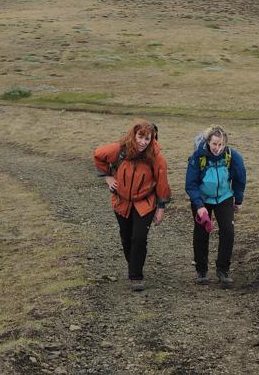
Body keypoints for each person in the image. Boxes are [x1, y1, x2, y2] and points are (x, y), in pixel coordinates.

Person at [93, 120, 172, 291]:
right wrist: (108, 177)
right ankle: (134, 264)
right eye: (140, 137)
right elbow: (98, 155)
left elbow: (162, 183)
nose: (143, 142)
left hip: (146, 203)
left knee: (139, 237)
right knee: (126, 236)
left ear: (152, 139)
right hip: (121, 201)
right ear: (134, 135)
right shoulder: (120, 149)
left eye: (147, 138)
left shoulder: (156, 157)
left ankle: (136, 276)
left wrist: (161, 208)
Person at [185, 126, 246, 286]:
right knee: (201, 233)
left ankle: (223, 270)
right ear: (208, 142)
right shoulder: (198, 157)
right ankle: (201, 271)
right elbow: (190, 184)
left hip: (224, 197)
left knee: (228, 231)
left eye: (220, 144)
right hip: (202, 199)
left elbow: (240, 179)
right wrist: (198, 205)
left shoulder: (233, 157)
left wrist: (238, 200)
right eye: (214, 144)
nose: (217, 148)